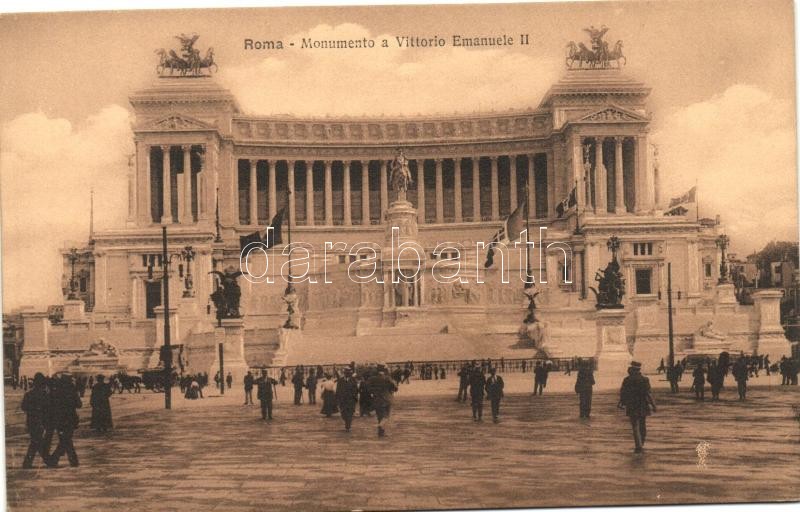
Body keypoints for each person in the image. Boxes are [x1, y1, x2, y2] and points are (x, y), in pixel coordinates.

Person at [618, 361, 656, 453]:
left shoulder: (627, 379)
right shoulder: (645, 379)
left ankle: (638, 446)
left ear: (632, 369)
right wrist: (653, 405)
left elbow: (623, 393)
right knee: (643, 425)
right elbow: (648, 394)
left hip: (632, 404)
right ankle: (641, 443)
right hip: (643, 404)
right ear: (639, 369)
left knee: (635, 425)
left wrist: (622, 402)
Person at [47, 374, 82, 467]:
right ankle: (58, 459)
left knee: (65, 440)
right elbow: (79, 404)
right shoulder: (72, 391)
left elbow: (51, 405)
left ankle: (71, 460)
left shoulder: (56, 392)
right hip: (70, 419)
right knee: (66, 440)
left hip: (59, 419)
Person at [21, 373, 50, 469]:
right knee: (37, 442)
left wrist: (32, 409)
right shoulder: (44, 394)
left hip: (31, 421)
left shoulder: (28, 394)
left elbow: (23, 407)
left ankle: (28, 462)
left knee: (35, 441)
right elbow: (47, 409)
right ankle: (48, 460)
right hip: (41, 421)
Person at [366, 364, 398, 437]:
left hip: (377, 399)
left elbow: (367, 388)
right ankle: (380, 426)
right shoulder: (387, 378)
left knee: (379, 416)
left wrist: (373, 392)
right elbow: (395, 388)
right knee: (387, 415)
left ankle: (381, 432)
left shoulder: (372, 378)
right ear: (384, 370)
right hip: (387, 399)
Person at [336, 367, 359, 432]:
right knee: (343, 413)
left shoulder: (353, 380)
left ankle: (348, 426)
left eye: (348, 373)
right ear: (344, 373)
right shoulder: (340, 380)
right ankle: (347, 422)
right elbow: (338, 390)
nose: (347, 374)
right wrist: (337, 399)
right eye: (346, 372)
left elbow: (356, 390)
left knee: (350, 413)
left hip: (351, 400)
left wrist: (354, 397)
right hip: (342, 400)